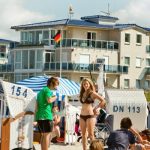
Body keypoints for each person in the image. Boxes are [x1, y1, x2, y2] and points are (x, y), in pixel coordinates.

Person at [79, 78, 106, 150]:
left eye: (87, 84)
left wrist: (97, 108)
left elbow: (103, 100)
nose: (85, 85)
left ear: (89, 84)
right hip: (82, 115)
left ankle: (94, 149)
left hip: (90, 116)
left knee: (91, 135)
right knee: (83, 135)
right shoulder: (82, 93)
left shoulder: (92, 93)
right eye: (84, 84)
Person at [35, 77, 59, 150]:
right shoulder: (47, 90)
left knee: (43, 135)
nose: (56, 87)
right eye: (56, 84)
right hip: (46, 116)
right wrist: (55, 97)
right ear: (51, 83)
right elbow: (49, 100)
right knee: (47, 135)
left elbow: (37, 106)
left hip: (39, 116)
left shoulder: (40, 92)